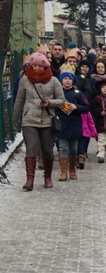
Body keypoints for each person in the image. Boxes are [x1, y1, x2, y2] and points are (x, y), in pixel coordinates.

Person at [12, 52, 65, 190]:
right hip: (30, 119)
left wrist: (50, 102)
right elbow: (19, 100)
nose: (35, 68)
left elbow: (61, 100)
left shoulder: (54, 81)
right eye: (33, 65)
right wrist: (14, 119)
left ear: (45, 66)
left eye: (39, 66)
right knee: (31, 148)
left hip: (47, 119)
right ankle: (29, 180)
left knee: (47, 150)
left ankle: (47, 177)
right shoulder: (25, 80)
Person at [55, 67, 90, 181]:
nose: (67, 81)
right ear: (61, 80)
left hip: (75, 125)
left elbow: (87, 107)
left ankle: (72, 170)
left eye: (69, 79)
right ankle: (63, 172)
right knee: (63, 148)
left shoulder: (78, 94)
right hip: (61, 124)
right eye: (65, 78)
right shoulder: (56, 93)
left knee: (74, 149)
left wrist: (76, 107)